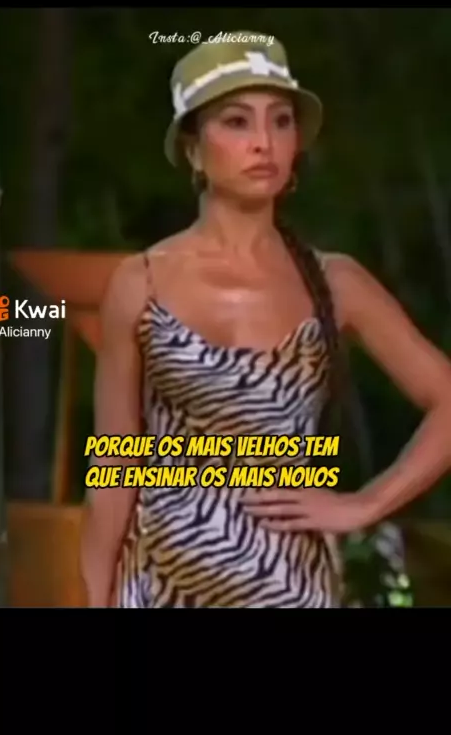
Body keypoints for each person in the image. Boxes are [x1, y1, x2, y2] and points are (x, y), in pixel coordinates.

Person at [80, 32, 451, 608]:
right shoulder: (140, 283)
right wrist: (94, 598)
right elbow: (114, 464)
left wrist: (365, 505)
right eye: (237, 121)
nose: (264, 142)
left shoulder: (335, 282)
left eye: (281, 121)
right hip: (159, 585)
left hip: (288, 586)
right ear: (193, 150)